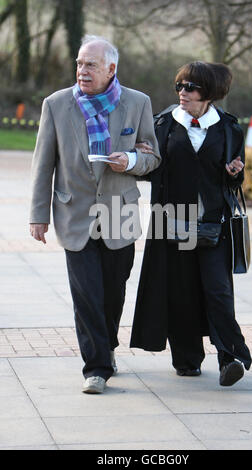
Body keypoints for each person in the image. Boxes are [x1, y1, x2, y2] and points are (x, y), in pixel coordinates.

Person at [29, 35, 161, 394]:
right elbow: (43, 165)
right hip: (75, 215)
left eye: (90, 64)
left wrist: (131, 160)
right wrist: (37, 214)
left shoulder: (138, 103)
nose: (81, 71)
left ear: (111, 69)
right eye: (79, 63)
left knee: (113, 293)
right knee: (86, 294)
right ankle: (96, 367)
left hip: (120, 214)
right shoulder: (56, 105)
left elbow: (153, 156)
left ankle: (107, 347)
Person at [130, 61, 252, 386]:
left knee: (218, 291)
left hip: (214, 224)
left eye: (190, 87)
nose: (182, 93)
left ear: (209, 93)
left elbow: (235, 177)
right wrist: (140, 158)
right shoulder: (163, 125)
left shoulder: (228, 128)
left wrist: (234, 173)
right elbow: (151, 168)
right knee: (181, 291)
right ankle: (187, 359)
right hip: (171, 224)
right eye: (179, 86)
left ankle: (231, 357)